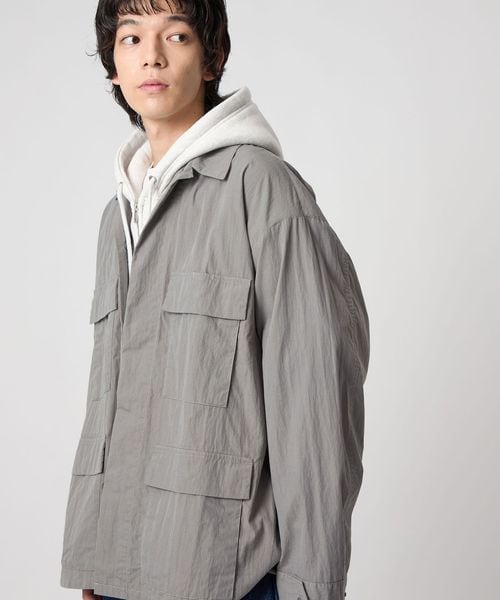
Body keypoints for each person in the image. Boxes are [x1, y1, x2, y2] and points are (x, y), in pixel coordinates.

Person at [59, 1, 370, 600]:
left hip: (229, 575)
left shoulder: (263, 189)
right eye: (131, 38)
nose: (151, 56)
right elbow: (108, 406)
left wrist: (311, 586)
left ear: (212, 58)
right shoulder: (116, 217)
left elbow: (316, 402)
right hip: (121, 573)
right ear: (113, 68)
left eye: (175, 35)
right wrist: (93, 558)